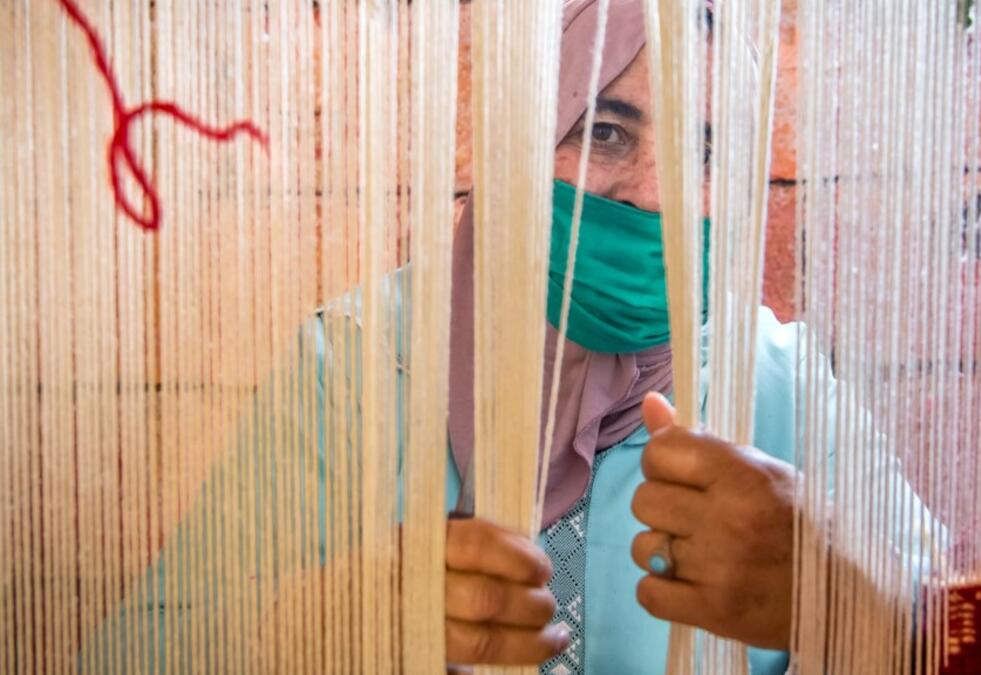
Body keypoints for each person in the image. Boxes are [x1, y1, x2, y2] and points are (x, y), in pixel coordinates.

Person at [85, 1, 938, 672]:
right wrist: (331, 621)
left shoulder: (775, 385)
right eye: (605, 132)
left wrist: (846, 599)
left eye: (701, 150)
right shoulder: (359, 366)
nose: (655, 194)